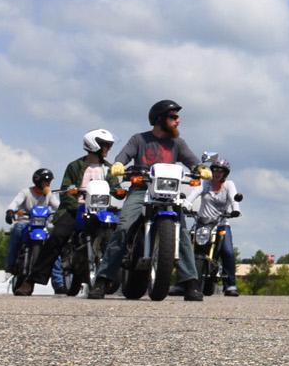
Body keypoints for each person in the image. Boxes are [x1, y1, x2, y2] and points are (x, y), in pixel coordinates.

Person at [92, 99, 206, 301]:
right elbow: (124, 154)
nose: (177, 121)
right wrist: (119, 164)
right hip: (141, 189)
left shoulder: (177, 143)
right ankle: (103, 279)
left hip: (169, 193)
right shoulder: (139, 139)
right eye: (173, 117)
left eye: (177, 117)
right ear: (159, 119)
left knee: (184, 234)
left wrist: (200, 169)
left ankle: (190, 282)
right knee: (123, 227)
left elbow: (192, 160)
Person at [26, 128, 114, 294]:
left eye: (109, 146)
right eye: (105, 145)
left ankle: (110, 277)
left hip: (101, 210)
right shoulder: (74, 166)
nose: (108, 149)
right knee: (57, 237)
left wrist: (120, 191)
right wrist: (75, 203)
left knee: (115, 235)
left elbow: (115, 187)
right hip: (76, 208)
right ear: (94, 145)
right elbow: (66, 190)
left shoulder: (109, 169)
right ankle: (32, 280)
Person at [192, 154, 242, 296]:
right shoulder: (205, 183)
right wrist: (186, 204)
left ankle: (230, 285)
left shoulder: (229, 185)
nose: (217, 173)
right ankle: (185, 283)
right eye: (215, 170)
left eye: (221, 171)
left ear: (225, 173)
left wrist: (236, 210)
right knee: (193, 251)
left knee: (228, 252)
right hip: (203, 223)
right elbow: (194, 193)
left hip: (221, 224)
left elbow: (234, 199)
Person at [3, 168, 57, 293]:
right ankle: (10, 265)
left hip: (43, 225)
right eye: (45, 182)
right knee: (17, 228)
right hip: (26, 222)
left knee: (55, 241)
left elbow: (57, 205)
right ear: (38, 181)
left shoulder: (49, 194)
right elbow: (15, 202)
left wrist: (60, 211)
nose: (48, 184)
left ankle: (58, 279)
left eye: (49, 182)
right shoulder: (26, 192)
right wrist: (10, 211)